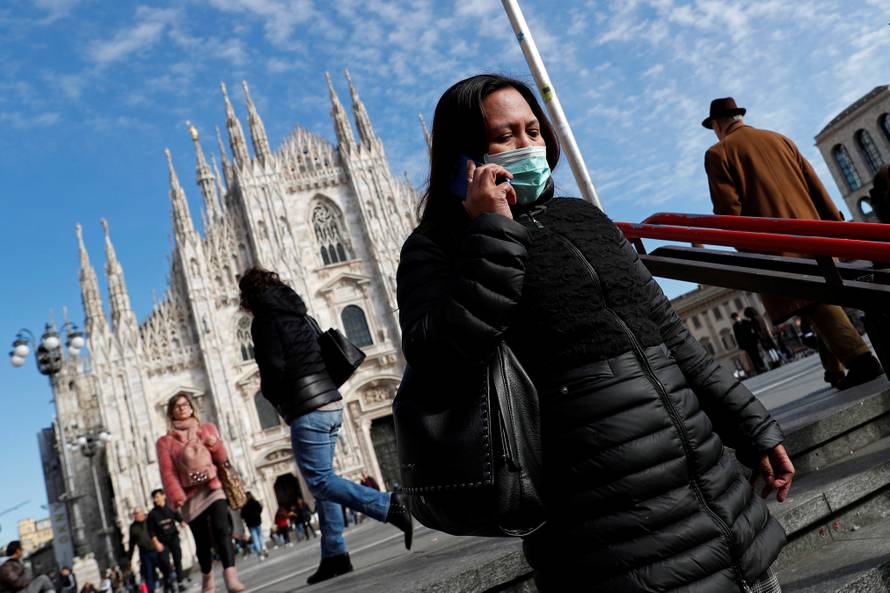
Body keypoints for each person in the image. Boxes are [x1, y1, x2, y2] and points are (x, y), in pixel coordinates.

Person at [397, 74, 793, 592]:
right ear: (464, 156)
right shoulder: (438, 247)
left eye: (534, 131)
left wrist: (750, 425)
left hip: (718, 501)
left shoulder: (582, 218)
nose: (527, 146)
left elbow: (671, 336)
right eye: (505, 136)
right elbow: (441, 362)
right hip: (609, 533)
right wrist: (491, 231)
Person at [239, 268, 413, 585]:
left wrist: (271, 393)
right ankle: (336, 555)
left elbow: (274, 367)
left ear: (249, 298)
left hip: (307, 407)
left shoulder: (264, 321)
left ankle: (389, 504)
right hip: (333, 401)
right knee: (325, 482)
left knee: (319, 481)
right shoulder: (298, 312)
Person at [703, 97, 884, 390]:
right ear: (739, 117)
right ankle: (834, 371)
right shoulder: (780, 139)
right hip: (813, 235)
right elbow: (816, 186)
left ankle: (861, 360)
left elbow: (728, 212)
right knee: (816, 297)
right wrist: (836, 228)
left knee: (811, 299)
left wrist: (747, 250)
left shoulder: (719, 153)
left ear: (717, 125)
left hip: (778, 246)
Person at [156, 394, 245, 593]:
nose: (182, 408)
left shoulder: (206, 429)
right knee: (202, 541)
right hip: (190, 496)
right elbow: (167, 471)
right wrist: (176, 494)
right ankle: (207, 578)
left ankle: (231, 578)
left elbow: (222, 458)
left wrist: (215, 445)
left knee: (222, 529)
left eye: (185, 404)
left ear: (192, 407)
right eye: (177, 406)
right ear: (171, 412)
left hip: (213, 487)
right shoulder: (165, 442)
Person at [126, 508, 173, 593]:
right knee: (148, 574)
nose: (136, 515)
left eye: (137, 513)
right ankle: (152, 591)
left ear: (142, 513)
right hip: (144, 554)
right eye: (134, 514)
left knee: (165, 569)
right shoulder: (133, 527)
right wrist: (129, 558)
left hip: (156, 550)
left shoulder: (150, 521)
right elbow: (131, 543)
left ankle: (169, 586)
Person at [147, 490, 185, 589]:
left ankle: (180, 582)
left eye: (158, 497)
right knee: (165, 562)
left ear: (163, 496)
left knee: (178, 559)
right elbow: (151, 531)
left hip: (173, 538)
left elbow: (180, 519)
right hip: (162, 541)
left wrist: (182, 523)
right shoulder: (152, 514)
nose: (156, 499)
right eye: (154, 498)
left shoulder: (171, 509)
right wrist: (156, 543)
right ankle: (169, 580)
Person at [239, 492, 267, 559]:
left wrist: (246, 517)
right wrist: (257, 514)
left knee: (255, 538)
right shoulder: (255, 502)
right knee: (260, 535)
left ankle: (259, 552)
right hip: (257, 521)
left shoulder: (245, 506)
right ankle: (263, 546)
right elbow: (260, 509)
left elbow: (242, 515)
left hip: (250, 524)